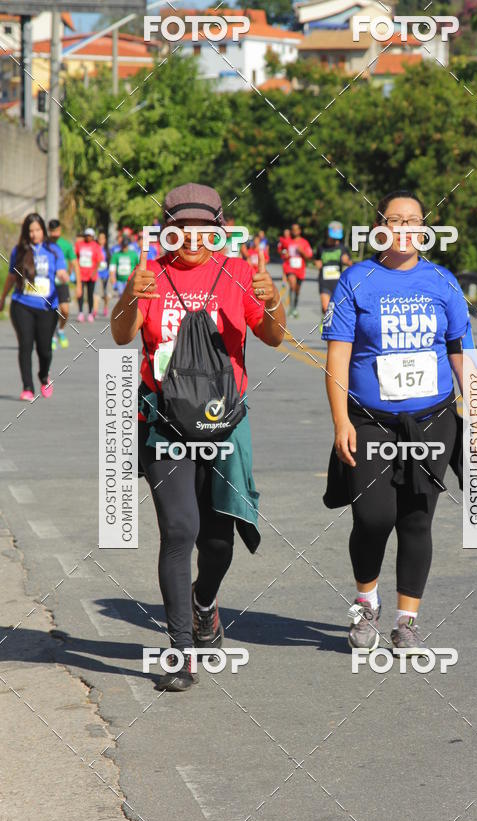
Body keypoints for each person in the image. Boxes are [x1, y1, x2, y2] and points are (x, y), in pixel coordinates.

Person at [111, 183, 286, 692]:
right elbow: (123, 336)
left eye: (202, 228)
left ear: (219, 230)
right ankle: (180, 652)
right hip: (163, 421)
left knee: (217, 539)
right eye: (180, 227)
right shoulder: (151, 274)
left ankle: (205, 602)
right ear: (165, 228)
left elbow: (272, 337)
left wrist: (272, 300)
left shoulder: (238, 274)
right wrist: (129, 295)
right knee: (180, 531)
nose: (191, 237)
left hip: (224, 421)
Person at [321, 189, 474, 653]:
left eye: (413, 221)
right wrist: (340, 421)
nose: (404, 228)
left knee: (415, 519)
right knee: (372, 516)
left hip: (432, 420)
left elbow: (461, 355)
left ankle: (407, 621)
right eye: (395, 220)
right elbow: (338, 359)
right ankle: (366, 602)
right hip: (371, 421)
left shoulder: (443, 282)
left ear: (424, 229)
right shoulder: (357, 280)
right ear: (380, 228)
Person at [0, 213, 68, 400]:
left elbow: (62, 271)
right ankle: (27, 387)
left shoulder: (54, 250)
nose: (34, 234)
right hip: (22, 304)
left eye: (37, 230)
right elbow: (12, 276)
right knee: (25, 345)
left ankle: (44, 376)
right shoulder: (19, 251)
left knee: (45, 349)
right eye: (30, 231)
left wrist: (63, 277)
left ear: (43, 230)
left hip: (47, 307)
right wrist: (3, 296)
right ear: (26, 232)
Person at [47, 218, 81, 349]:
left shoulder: (66, 245)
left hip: (62, 283)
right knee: (51, 312)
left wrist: (78, 285)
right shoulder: (45, 244)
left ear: (60, 230)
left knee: (65, 311)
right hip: (48, 284)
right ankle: (52, 336)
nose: (54, 234)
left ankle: (60, 330)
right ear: (49, 231)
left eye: (56, 231)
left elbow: (75, 265)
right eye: (52, 231)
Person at [314, 220, 352, 321]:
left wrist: (347, 261)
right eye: (333, 236)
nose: (335, 239)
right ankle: (326, 322)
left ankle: (332, 326)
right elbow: (317, 259)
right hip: (324, 282)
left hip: (338, 283)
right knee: (326, 308)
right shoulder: (321, 247)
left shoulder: (343, 248)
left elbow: (351, 263)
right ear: (328, 233)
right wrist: (317, 263)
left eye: (337, 236)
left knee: (337, 310)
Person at [283, 223, 312, 318]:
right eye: (293, 229)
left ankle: (294, 307)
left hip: (300, 269)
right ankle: (291, 308)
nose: (294, 231)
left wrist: (302, 251)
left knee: (297, 290)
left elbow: (309, 256)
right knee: (292, 284)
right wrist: (285, 255)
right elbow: (282, 253)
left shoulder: (304, 242)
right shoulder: (288, 242)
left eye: (296, 229)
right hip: (290, 268)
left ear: (299, 231)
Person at [75, 227, 102, 322]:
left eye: (90, 236)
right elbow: (76, 257)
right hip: (81, 274)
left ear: (93, 236)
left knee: (90, 295)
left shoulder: (95, 246)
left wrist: (94, 272)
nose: (88, 237)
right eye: (86, 235)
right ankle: (80, 313)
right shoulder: (79, 245)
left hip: (91, 275)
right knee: (80, 294)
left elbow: (99, 260)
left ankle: (90, 313)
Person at [109, 233, 139, 300]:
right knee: (121, 297)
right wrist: (112, 277)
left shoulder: (133, 254)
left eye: (126, 246)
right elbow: (112, 267)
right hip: (119, 280)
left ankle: (128, 310)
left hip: (130, 281)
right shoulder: (116, 255)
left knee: (129, 297)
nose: (124, 247)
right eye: (123, 245)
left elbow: (138, 266)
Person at [96, 232, 111, 317]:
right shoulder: (95, 249)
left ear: (105, 240)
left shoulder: (107, 250)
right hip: (97, 273)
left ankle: (105, 308)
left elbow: (110, 261)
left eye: (103, 238)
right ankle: (95, 310)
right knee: (97, 293)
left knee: (106, 293)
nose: (101, 240)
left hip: (106, 273)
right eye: (100, 238)